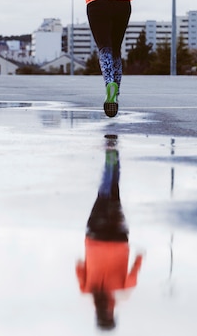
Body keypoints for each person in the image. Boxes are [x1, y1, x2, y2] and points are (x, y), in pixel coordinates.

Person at [75, 135, 143, 330]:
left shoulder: (122, 291)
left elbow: (134, 273)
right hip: (95, 236)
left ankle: (112, 153)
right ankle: (111, 152)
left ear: (112, 314)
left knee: (113, 193)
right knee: (105, 194)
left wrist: (140, 257)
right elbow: (79, 267)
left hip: (118, 239)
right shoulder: (86, 289)